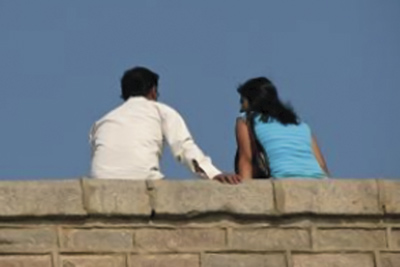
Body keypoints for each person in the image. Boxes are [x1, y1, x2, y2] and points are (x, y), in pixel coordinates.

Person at [90, 66, 241, 184]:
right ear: (153, 91)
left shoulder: (102, 122)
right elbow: (184, 147)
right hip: (143, 180)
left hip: (101, 182)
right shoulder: (160, 111)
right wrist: (213, 174)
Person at [235, 77, 329, 179]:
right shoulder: (300, 124)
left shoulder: (245, 120)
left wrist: (246, 190)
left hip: (282, 179)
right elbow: (321, 165)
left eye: (242, 101)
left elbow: (246, 160)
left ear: (252, 100)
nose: (241, 108)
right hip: (318, 180)